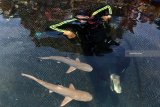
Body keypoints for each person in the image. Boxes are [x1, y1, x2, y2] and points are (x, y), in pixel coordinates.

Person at [49, 5, 119, 55]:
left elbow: (108, 6)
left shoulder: (95, 14)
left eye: (84, 19)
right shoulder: (74, 20)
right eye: (78, 19)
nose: (81, 21)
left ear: (89, 16)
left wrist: (109, 15)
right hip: (86, 39)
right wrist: (66, 32)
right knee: (90, 53)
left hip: (102, 35)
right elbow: (51, 27)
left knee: (114, 49)